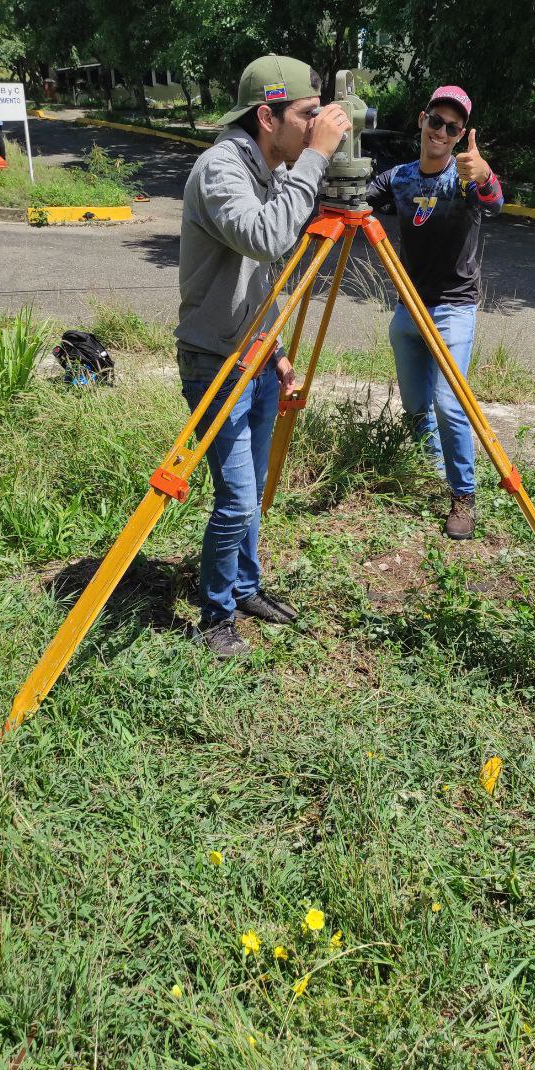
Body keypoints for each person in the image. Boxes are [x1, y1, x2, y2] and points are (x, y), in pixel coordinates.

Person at [176, 54, 350, 658]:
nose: (319, 124)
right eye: (308, 114)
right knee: (238, 497)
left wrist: (274, 343)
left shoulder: (270, 167)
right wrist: (319, 159)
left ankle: (245, 587)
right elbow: (267, 238)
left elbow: (261, 276)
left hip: (254, 354)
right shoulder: (220, 170)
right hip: (215, 361)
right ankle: (215, 612)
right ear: (268, 116)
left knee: (252, 491)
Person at [367, 85, 504, 540]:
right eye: (436, 122)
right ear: (422, 121)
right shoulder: (400, 178)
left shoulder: (465, 177)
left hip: (454, 309)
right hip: (409, 308)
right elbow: (361, 198)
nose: (442, 132)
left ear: (462, 133)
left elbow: (495, 201)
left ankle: (463, 495)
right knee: (414, 407)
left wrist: (484, 176)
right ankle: (427, 469)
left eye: (453, 126)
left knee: (450, 405)